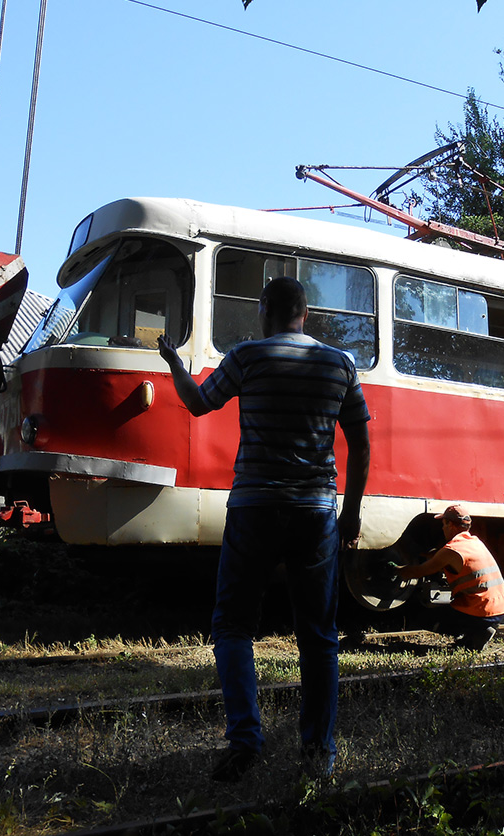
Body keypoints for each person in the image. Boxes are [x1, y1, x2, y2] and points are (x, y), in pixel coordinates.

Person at [157, 276, 370, 783]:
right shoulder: (340, 364)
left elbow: (198, 402)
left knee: (232, 625)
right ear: (306, 313)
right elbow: (360, 445)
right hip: (316, 512)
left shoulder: (247, 357)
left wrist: (175, 366)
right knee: (318, 635)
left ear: (262, 310)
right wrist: (353, 512)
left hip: (254, 507)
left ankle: (245, 739)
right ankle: (318, 751)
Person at [395, 504, 504, 650]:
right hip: (501, 608)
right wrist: (420, 553)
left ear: (450, 524)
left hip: (481, 611)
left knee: (422, 618)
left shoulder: (451, 550)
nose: (442, 528)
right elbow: (441, 557)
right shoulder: (475, 542)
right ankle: (476, 633)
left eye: (443, 524)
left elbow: (418, 571)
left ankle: (475, 632)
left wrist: (394, 569)